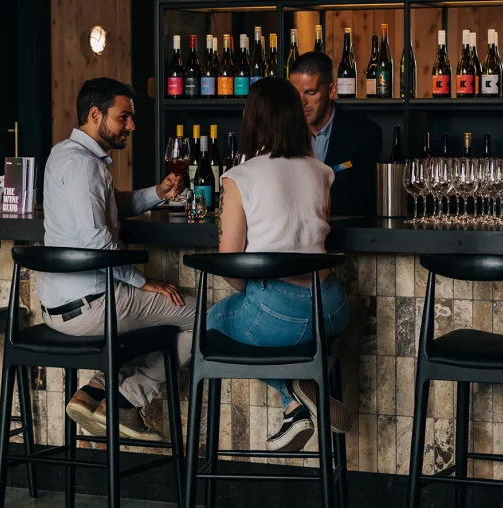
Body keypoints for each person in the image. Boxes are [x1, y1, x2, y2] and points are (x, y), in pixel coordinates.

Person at [41, 77, 193, 442]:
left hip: (58, 305)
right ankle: (127, 399)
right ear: (96, 114)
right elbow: (99, 242)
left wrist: (157, 194)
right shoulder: (85, 165)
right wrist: (144, 281)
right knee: (203, 316)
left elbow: (111, 205)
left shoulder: (64, 154)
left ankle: (97, 388)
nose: (132, 125)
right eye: (124, 117)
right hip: (91, 305)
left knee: (151, 320)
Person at [209, 77, 354, 452]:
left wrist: (253, 295)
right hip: (333, 309)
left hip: (279, 317)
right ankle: (295, 404)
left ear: (252, 118)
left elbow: (230, 262)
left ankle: (292, 388)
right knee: (262, 318)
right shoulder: (322, 172)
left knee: (209, 324)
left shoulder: (240, 177)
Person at [288, 52, 382, 217]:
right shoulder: (285, 132)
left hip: (346, 236)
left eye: (311, 93)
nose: (302, 102)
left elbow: (361, 199)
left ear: (331, 90)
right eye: (296, 94)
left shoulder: (364, 133)